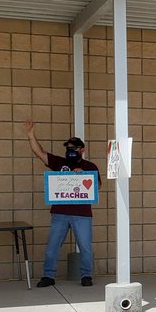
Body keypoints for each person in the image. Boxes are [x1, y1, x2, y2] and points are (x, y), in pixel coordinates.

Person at [23, 119, 98, 287]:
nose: (70, 151)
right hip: (60, 213)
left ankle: (86, 276)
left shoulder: (89, 166)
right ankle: (48, 276)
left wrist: (84, 175)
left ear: (82, 150)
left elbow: (97, 185)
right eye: (68, 148)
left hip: (82, 215)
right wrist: (30, 134)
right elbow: (40, 153)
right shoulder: (59, 163)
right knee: (53, 246)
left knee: (85, 246)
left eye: (73, 148)